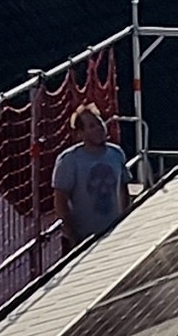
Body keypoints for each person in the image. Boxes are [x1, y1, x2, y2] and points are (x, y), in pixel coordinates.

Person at [50, 104, 128, 242]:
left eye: (99, 123)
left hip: (115, 233)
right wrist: (73, 237)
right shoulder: (69, 160)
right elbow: (60, 202)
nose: (98, 129)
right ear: (80, 133)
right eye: (91, 126)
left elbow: (123, 190)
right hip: (84, 238)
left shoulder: (116, 153)